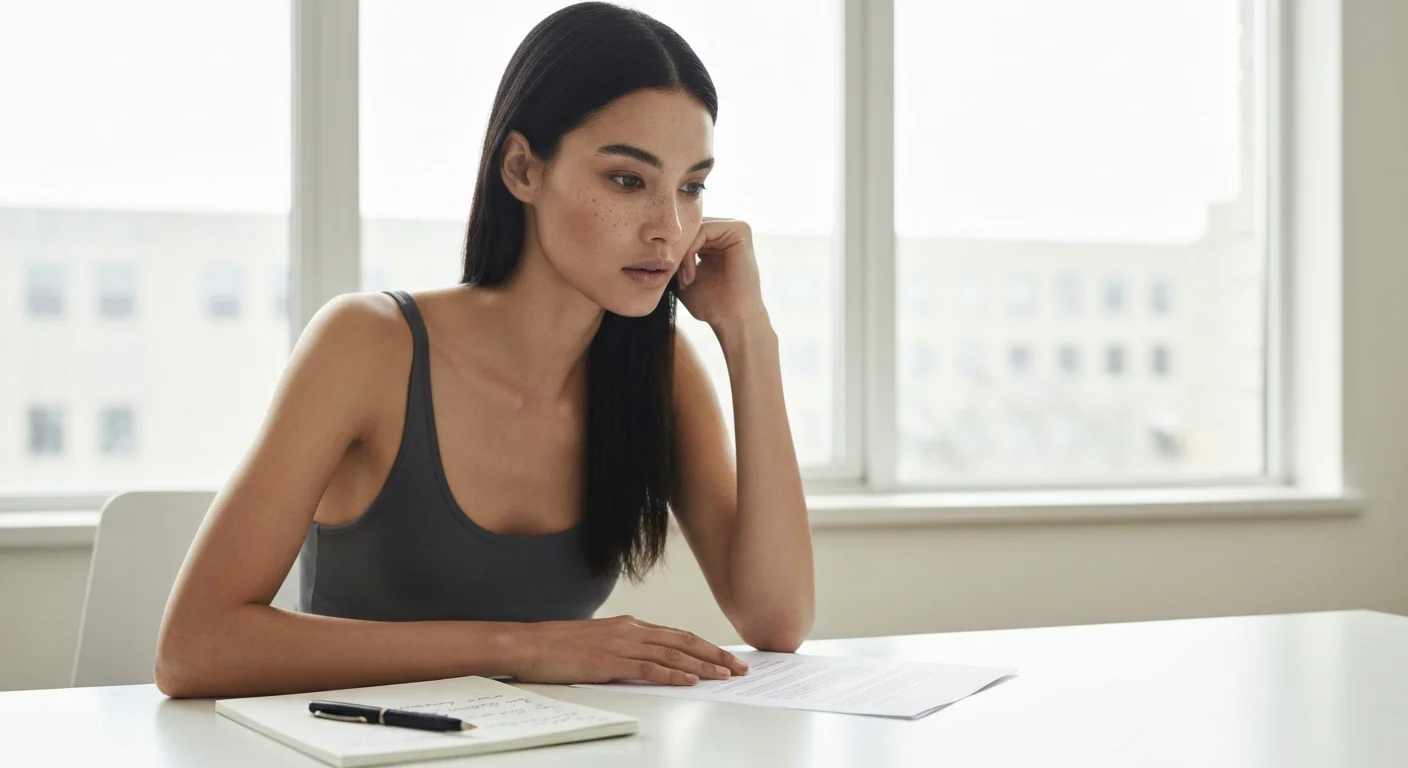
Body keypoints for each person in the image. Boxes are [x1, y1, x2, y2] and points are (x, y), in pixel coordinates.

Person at [154, 2, 814, 699]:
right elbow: (195, 648)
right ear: (523, 169)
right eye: (628, 180)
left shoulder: (659, 370)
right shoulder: (367, 345)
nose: (670, 229)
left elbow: (778, 619)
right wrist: (524, 648)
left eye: (691, 187)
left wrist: (748, 335)